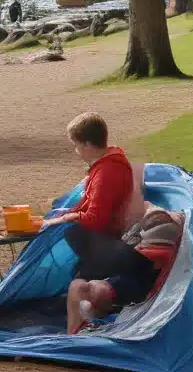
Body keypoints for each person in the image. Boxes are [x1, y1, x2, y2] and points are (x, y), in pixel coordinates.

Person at [41, 112, 140, 280]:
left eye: (76, 145)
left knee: (73, 233)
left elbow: (96, 219)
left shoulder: (106, 172)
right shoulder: (108, 164)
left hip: (107, 244)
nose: (77, 151)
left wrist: (68, 218)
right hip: (107, 242)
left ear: (87, 144)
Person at [65, 206, 184, 334]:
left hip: (128, 281)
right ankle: (79, 328)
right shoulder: (146, 258)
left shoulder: (138, 265)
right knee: (83, 286)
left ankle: (76, 331)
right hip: (130, 276)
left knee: (81, 285)